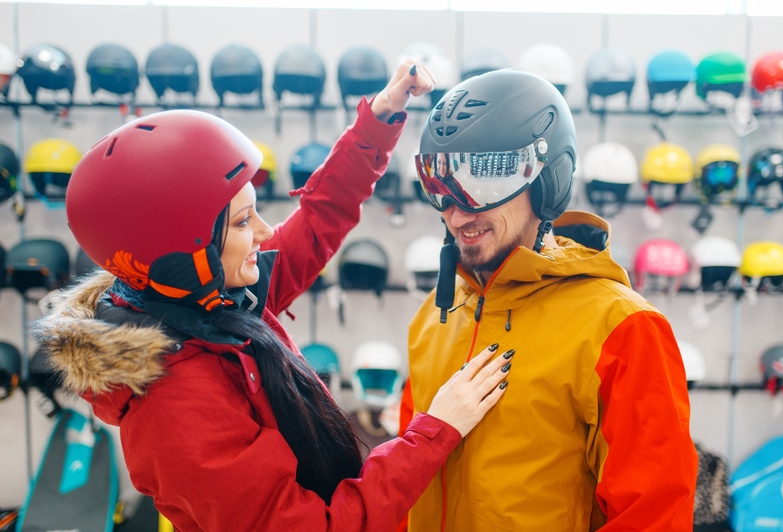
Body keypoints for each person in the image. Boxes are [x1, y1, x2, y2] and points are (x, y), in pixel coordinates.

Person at [34, 62, 513, 532]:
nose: (264, 233)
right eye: (243, 222)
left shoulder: (210, 304)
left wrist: (379, 120)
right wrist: (435, 430)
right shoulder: (176, 406)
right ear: (183, 252)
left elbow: (318, 218)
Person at [398, 69, 697, 531]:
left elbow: (653, 515)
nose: (457, 211)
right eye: (439, 183)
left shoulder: (622, 329)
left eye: (482, 181)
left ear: (547, 181)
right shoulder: (434, 317)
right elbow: (405, 487)